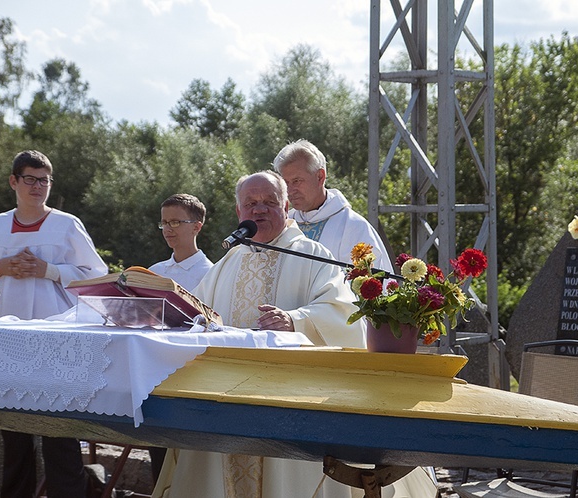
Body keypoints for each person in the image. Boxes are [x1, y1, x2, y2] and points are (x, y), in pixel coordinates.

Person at [151, 171, 437, 497]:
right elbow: (195, 314)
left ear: (286, 206)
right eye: (250, 204)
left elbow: (342, 313)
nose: (258, 210)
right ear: (238, 213)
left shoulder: (313, 255)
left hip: (286, 407)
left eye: (269, 202)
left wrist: (295, 320)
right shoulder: (228, 262)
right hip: (226, 405)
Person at [0, 150, 108, 498]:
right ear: (14, 181)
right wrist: (0, 268)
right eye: (30, 179)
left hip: (55, 339)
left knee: (59, 431)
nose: (38, 186)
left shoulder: (66, 225)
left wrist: (49, 270)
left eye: (44, 180)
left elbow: (97, 277)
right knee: (13, 433)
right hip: (5, 340)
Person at [147, 193, 214, 482]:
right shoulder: (154, 272)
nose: (168, 229)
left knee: (186, 460)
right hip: (154, 370)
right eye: (163, 223)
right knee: (158, 453)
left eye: (176, 221)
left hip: (190, 373)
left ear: (197, 226)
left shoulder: (210, 273)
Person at [273, 139, 393, 273]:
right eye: (285, 182)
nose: (289, 190)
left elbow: (367, 286)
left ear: (320, 177)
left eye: (297, 181)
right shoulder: (283, 224)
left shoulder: (353, 227)